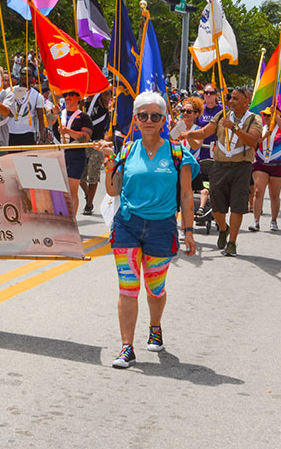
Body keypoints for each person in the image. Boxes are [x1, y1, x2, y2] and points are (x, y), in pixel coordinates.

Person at [94, 91, 198, 369]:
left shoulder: (178, 154)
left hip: (162, 228)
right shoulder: (126, 151)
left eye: (155, 116)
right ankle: (127, 347)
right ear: (135, 120)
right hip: (128, 225)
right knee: (128, 288)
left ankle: (155, 326)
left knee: (155, 288)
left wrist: (188, 230)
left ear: (164, 120)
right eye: (143, 116)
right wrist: (109, 160)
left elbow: (187, 195)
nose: (149, 120)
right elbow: (113, 189)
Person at [180, 87, 261, 256]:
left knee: (238, 207)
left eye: (236, 99)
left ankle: (232, 242)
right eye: (230, 98)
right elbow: (205, 132)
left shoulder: (254, 119)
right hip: (220, 165)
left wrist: (234, 128)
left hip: (241, 166)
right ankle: (223, 229)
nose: (231, 101)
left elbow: (253, 140)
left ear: (247, 102)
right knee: (216, 206)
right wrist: (188, 134)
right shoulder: (221, 115)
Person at [249, 106, 281, 232]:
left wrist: (276, 116)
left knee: (274, 195)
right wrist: (262, 137)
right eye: (264, 115)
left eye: (268, 115)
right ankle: (256, 221)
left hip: (278, 166)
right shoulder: (261, 128)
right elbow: (253, 143)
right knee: (258, 191)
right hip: (261, 164)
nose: (266, 118)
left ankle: (274, 220)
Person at [52, 91, 92, 217]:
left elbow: (85, 138)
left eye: (72, 94)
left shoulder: (84, 117)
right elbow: (47, 123)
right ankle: (61, 218)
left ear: (78, 97)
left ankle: (72, 221)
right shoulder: (60, 114)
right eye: (65, 95)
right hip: (59, 153)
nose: (68, 97)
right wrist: (52, 114)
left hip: (76, 155)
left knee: (71, 190)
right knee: (58, 190)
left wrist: (68, 131)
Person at [80, 89, 111, 215]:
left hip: (97, 143)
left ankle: (89, 204)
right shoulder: (83, 99)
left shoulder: (101, 97)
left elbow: (108, 97)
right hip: (83, 142)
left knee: (93, 175)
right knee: (80, 177)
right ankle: (88, 194)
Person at [8, 67, 47, 145]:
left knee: (26, 157)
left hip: (28, 133)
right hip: (10, 132)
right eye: (22, 74)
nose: (25, 77)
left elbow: (41, 118)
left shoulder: (37, 96)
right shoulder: (10, 91)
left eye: (28, 75)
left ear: (32, 78)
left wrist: (43, 138)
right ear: (19, 75)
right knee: (10, 157)